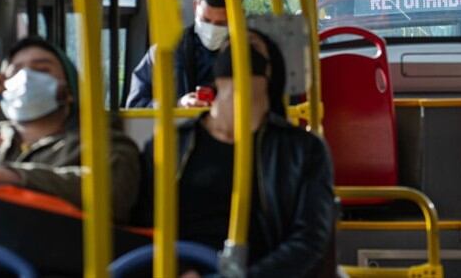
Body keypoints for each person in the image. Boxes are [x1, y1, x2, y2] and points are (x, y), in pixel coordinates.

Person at [134, 29, 335, 277]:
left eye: (252, 48)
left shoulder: (302, 151)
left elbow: (309, 240)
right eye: (230, 48)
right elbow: (142, 226)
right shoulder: (169, 145)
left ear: (271, 72)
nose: (240, 54)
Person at [0, 37, 140, 223]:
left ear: (68, 89)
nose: (25, 78)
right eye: (15, 71)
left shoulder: (103, 144)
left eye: (42, 70)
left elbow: (111, 192)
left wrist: (13, 176)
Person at [126, 0, 229, 108]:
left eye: (221, 23)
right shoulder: (164, 52)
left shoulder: (250, 56)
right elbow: (135, 107)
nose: (212, 30)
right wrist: (177, 106)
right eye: (206, 20)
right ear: (195, 7)